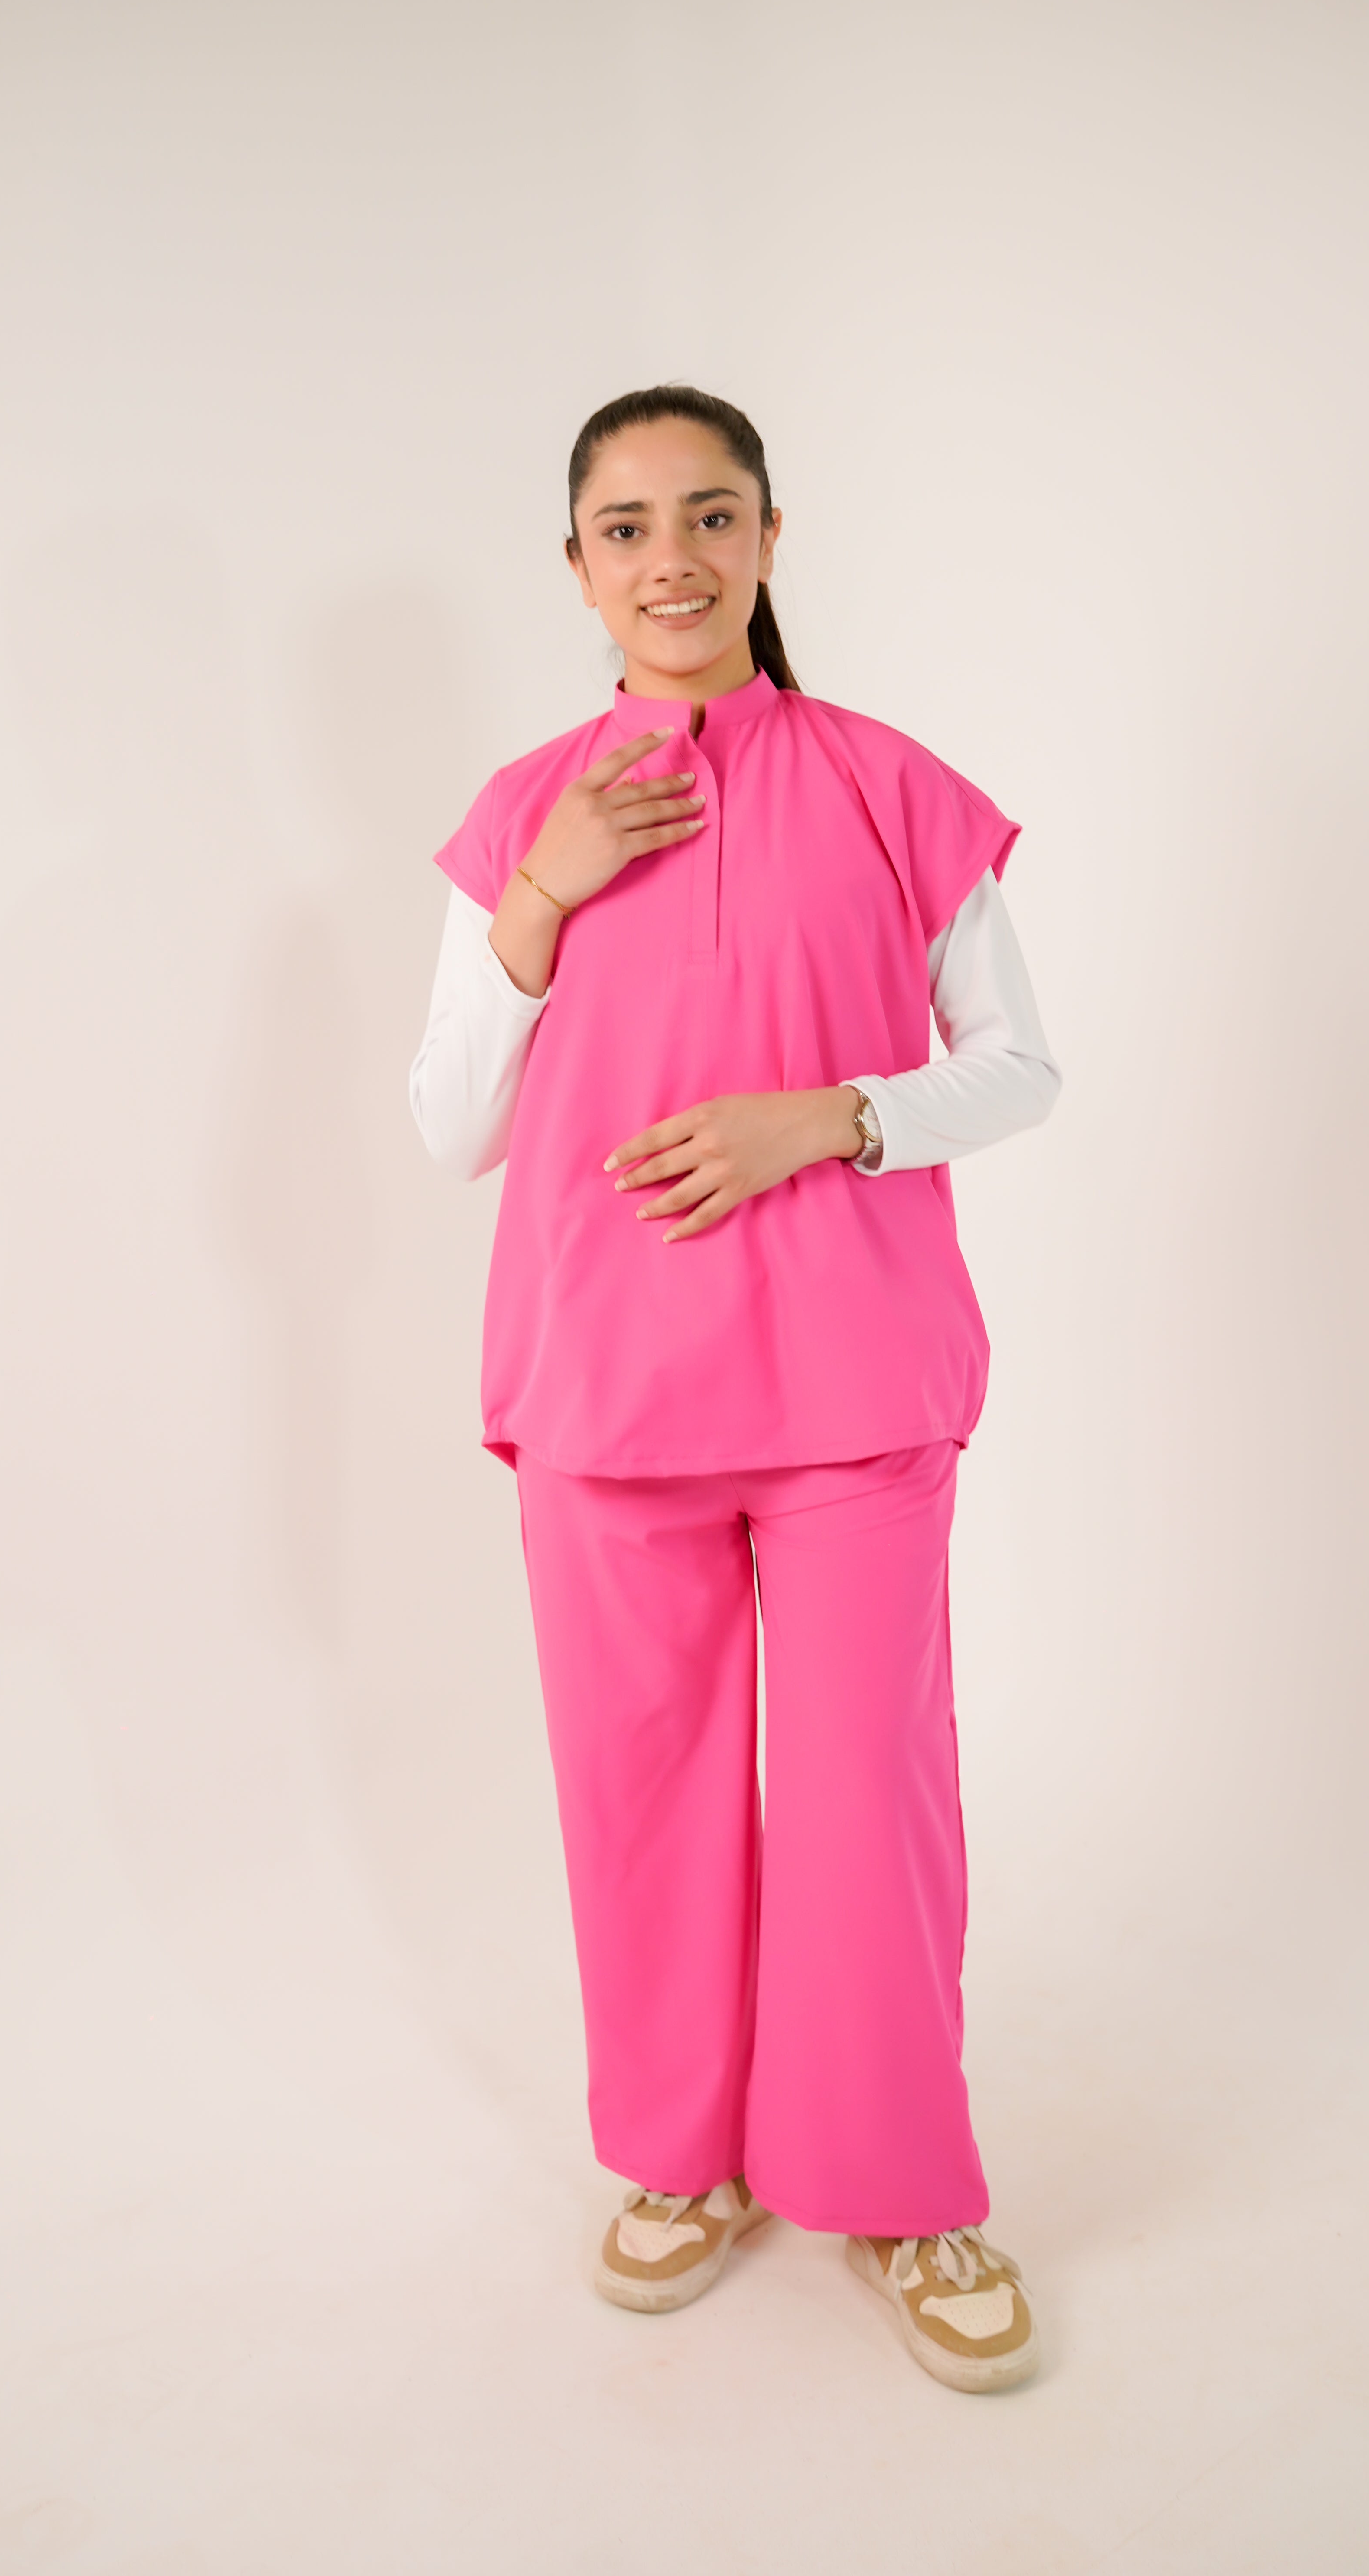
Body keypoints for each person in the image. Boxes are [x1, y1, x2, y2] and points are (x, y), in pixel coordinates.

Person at [408, 385, 1060, 2393]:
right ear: (577, 568)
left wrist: (828, 1119)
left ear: (770, 539)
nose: (670, 559)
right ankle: (683, 2163)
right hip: (606, 1395)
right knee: (642, 1793)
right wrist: (544, 889)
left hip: (853, 1383)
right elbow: (449, 1124)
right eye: (625, 527)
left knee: (869, 1794)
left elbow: (1017, 1067)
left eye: (709, 515)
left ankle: (902, 2186)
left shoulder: (884, 787)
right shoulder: (524, 810)